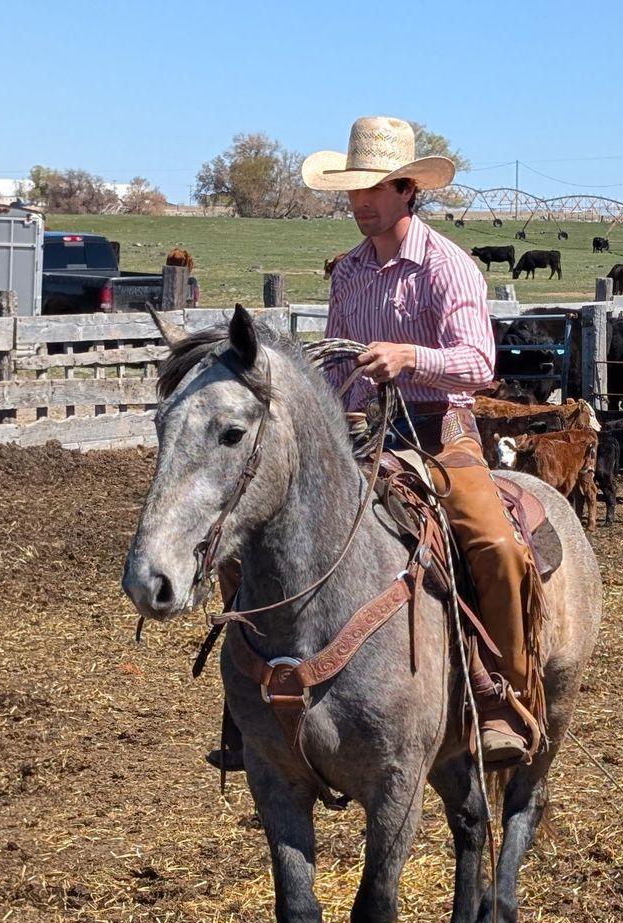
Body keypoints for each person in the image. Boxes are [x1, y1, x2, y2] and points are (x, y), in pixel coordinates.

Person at [209, 116, 542, 771]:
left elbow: (479, 362)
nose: (359, 202)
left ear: (407, 190)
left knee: (496, 544)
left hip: (440, 434)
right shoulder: (350, 275)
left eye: (374, 189)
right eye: (352, 191)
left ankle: (503, 698)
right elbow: (335, 367)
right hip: (357, 434)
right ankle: (250, 705)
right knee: (244, 537)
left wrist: (409, 357)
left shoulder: (449, 267)